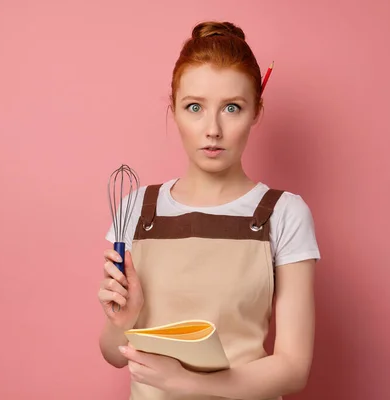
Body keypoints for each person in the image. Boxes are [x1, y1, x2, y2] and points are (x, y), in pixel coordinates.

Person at [98, 20, 321, 400]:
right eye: (195, 107)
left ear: (256, 111)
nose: (212, 129)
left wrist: (189, 383)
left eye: (232, 107)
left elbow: (294, 368)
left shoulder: (284, 213)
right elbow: (113, 354)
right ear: (174, 109)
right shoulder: (135, 207)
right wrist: (125, 319)